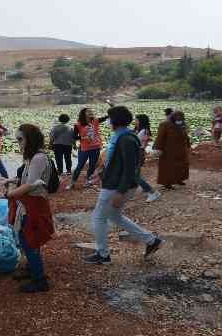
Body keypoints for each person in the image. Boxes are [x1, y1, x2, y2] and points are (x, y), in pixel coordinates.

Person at [84, 106, 163, 265]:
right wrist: (100, 174)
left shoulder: (126, 139)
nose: (108, 121)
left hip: (116, 187)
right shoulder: (122, 136)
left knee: (98, 217)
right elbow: (115, 162)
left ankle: (103, 254)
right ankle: (151, 241)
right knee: (114, 216)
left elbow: (130, 168)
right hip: (116, 184)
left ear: (115, 121)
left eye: (110, 118)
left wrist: (121, 192)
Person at [6, 124, 54, 293]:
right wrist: (12, 182)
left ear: (30, 139)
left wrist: (10, 194)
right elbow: (27, 180)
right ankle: (31, 268)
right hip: (30, 203)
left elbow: (29, 185)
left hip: (34, 204)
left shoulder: (38, 158)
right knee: (26, 237)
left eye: (20, 139)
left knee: (29, 239)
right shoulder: (33, 157)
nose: (18, 143)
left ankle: (40, 280)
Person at [67, 107, 109, 190]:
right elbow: (74, 137)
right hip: (84, 148)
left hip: (96, 147)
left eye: (91, 111)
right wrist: (84, 138)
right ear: (84, 114)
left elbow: (108, 116)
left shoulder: (96, 121)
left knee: (92, 165)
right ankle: (72, 183)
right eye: (88, 111)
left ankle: (87, 181)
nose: (90, 112)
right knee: (79, 166)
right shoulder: (78, 124)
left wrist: (112, 107)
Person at [153, 111, 191, 190]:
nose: (179, 119)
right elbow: (159, 137)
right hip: (168, 150)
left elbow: (186, 135)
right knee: (168, 167)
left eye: (181, 118)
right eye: (178, 118)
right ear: (173, 117)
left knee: (182, 165)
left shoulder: (183, 125)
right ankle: (167, 183)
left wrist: (188, 145)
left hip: (181, 150)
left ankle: (179, 179)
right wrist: (157, 148)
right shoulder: (164, 124)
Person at [134, 114, 161, 203]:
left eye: (136, 120)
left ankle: (152, 192)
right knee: (135, 174)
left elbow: (135, 142)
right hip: (138, 152)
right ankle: (143, 189)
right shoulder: (140, 130)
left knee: (134, 175)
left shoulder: (143, 131)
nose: (135, 122)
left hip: (137, 153)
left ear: (141, 121)